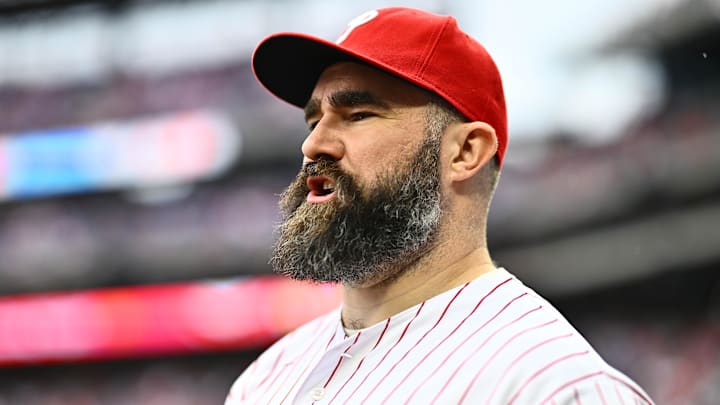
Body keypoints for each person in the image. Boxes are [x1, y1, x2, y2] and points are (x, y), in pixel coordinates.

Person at [226, 7, 654, 404]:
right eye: (314, 120)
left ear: (466, 152)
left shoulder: (552, 386)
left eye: (358, 114)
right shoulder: (263, 379)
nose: (313, 144)